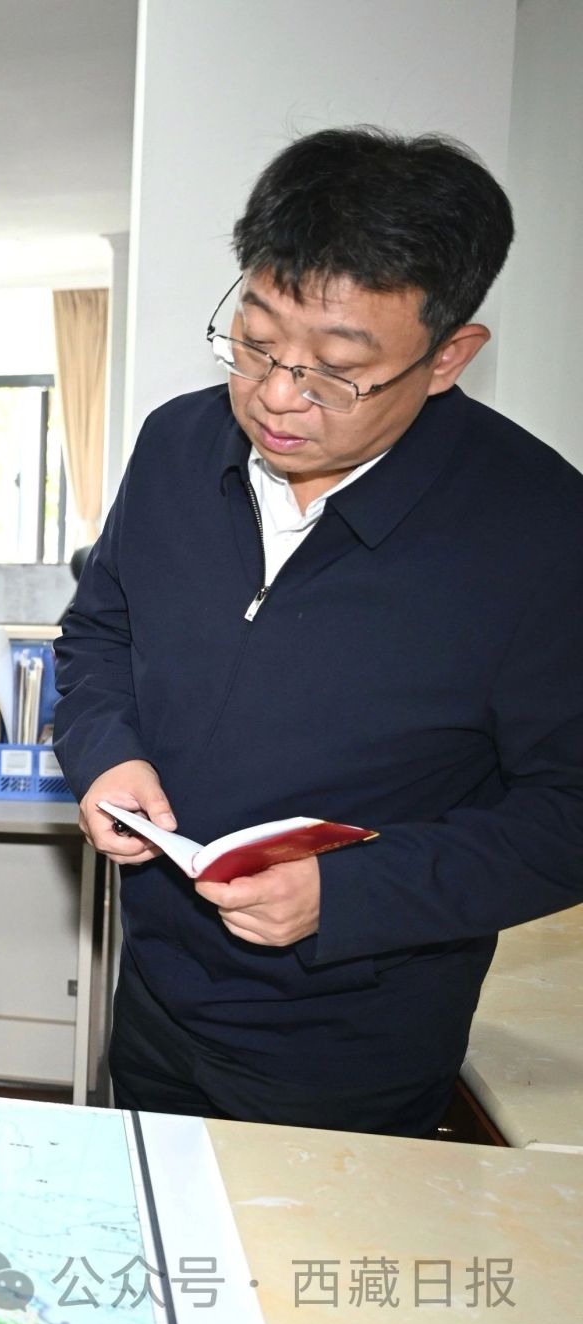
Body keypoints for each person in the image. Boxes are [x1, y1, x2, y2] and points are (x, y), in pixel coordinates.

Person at [54, 127, 583, 1137]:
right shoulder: (175, 445)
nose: (275, 396)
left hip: (350, 1042)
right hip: (155, 992)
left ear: (447, 356)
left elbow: (568, 813)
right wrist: (103, 749)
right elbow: (97, 634)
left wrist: (348, 894)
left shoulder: (540, 533)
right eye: (255, 342)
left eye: (337, 370)